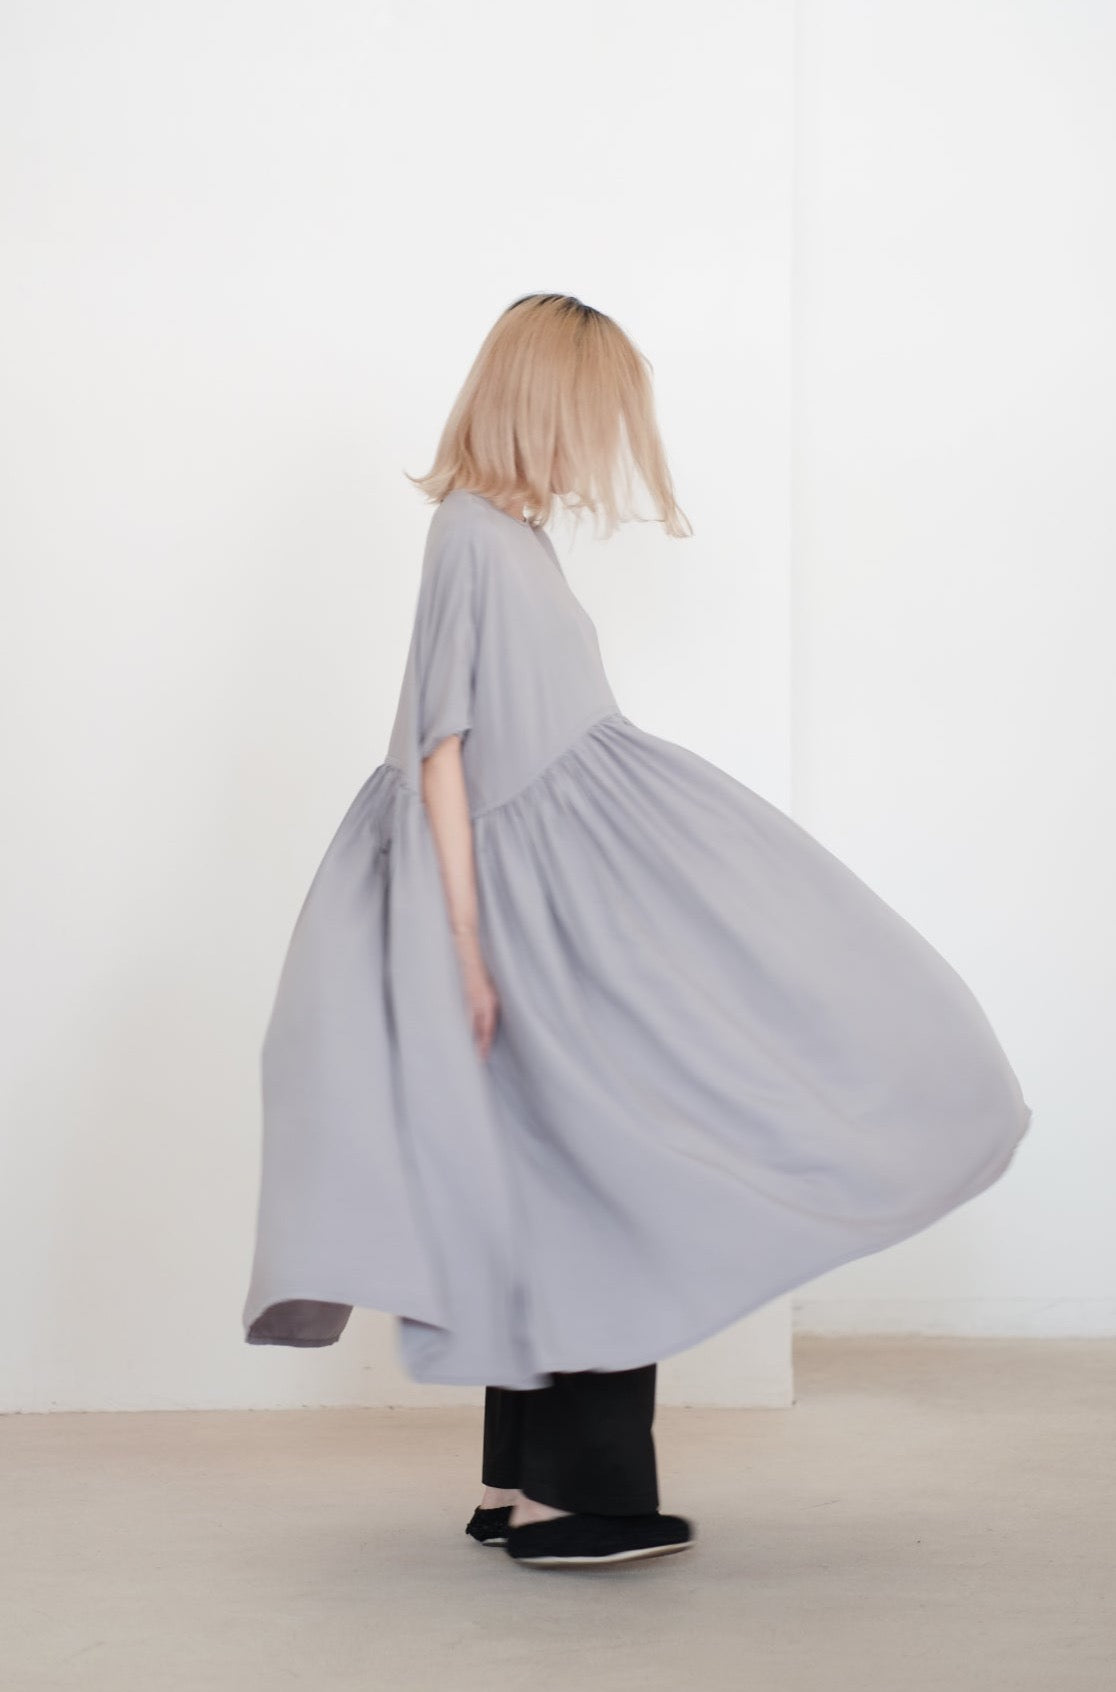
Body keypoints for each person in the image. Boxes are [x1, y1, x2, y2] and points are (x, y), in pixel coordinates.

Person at [241, 293, 1033, 1570]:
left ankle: (520, 1487)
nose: (603, 445)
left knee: (558, 1177)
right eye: (594, 415)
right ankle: (586, 1500)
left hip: (561, 902)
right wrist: (466, 948)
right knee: (604, 1178)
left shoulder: (510, 538)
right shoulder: (473, 537)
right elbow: (440, 752)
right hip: (527, 914)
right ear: (542, 403)